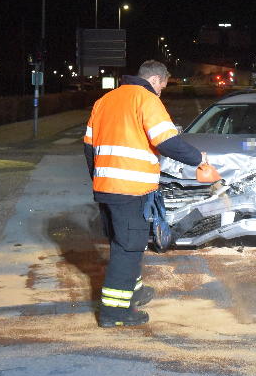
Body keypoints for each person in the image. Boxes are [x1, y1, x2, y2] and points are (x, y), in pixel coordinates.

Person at [84, 60, 208, 326]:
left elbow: (88, 148)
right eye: (162, 86)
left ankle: (135, 291)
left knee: (124, 241)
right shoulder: (146, 99)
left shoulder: (105, 100)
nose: (161, 92)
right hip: (131, 189)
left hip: (106, 188)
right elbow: (166, 142)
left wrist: (99, 180)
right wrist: (199, 159)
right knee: (128, 248)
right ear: (154, 80)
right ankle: (115, 313)